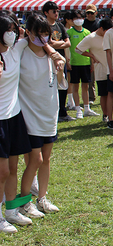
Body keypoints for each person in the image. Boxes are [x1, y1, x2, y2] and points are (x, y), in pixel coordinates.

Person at [0, 13, 62, 231]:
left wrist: (55, 54)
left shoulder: (29, 48)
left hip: (31, 114)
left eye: (13, 29)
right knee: (15, 167)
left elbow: (45, 42)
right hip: (15, 117)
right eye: (7, 30)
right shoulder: (17, 49)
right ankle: (12, 208)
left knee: (29, 164)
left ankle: (25, 205)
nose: (11, 34)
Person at [15, 13, 66, 218]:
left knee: (46, 159)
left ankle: (42, 197)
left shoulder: (51, 55)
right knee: (34, 160)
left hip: (49, 112)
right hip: (29, 113)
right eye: (39, 34)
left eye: (46, 34)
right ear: (28, 33)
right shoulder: (21, 49)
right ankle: (23, 201)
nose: (43, 38)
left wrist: (57, 60)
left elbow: (60, 82)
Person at [76, 18, 113, 123]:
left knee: (112, 93)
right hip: (101, 69)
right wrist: (91, 56)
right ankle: (105, 115)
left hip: (112, 68)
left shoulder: (110, 35)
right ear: (101, 29)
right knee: (103, 93)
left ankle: (111, 115)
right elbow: (78, 49)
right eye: (107, 31)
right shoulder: (91, 37)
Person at [42, 1, 72, 122]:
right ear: (46, 12)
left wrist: (57, 44)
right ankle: (52, 112)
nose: (56, 13)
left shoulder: (59, 26)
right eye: (54, 11)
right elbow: (48, 43)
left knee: (63, 85)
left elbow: (68, 43)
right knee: (51, 86)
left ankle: (62, 112)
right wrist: (61, 43)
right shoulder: (44, 26)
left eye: (58, 11)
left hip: (61, 60)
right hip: (49, 60)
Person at [66, 10, 99, 118]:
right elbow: (67, 48)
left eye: (80, 18)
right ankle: (77, 109)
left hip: (85, 63)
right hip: (74, 63)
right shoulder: (69, 33)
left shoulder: (87, 32)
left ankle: (86, 108)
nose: (78, 20)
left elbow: (90, 49)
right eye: (75, 18)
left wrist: (92, 63)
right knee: (75, 87)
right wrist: (68, 61)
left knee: (85, 86)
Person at [82, 4, 100, 102]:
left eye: (91, 13)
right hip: (88, 52)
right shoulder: (83, 24)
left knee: (103, 74)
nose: (89, 15)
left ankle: (106, 94)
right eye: (88, 13)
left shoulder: (99, 23)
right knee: (91, 76)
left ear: (96, 13)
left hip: (100, 51)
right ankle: (91, 97)